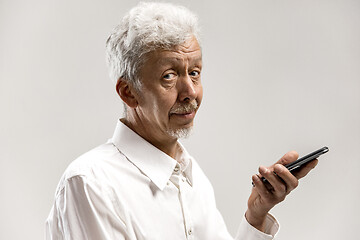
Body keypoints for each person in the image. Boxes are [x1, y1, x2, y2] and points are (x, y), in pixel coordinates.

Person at [46, 2, 318, 240]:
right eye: (169, 75)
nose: (190, 92)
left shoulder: (191, 175)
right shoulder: (91, 183)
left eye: (195, 72)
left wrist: (256, 214)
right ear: (128, 92)